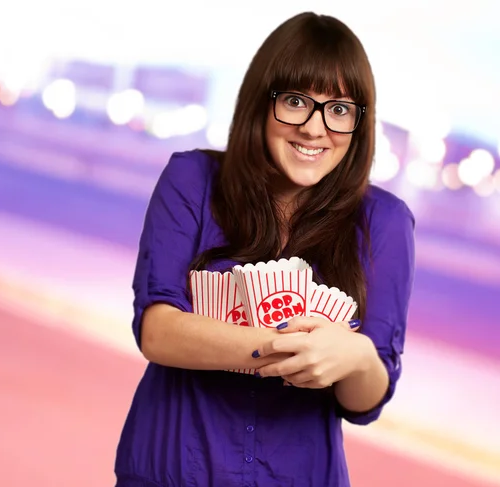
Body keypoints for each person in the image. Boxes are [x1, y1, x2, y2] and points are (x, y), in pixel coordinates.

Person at [114, 11, 415, 487]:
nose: (316, 129)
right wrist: (289, 349)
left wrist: (355, 357)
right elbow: (157, 332)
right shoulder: (192, 180)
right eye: (296, 101)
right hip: (172, 471)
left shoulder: (385, 222)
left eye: (339, 109)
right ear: (261, 101)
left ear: (360, 123)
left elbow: (366, 402)